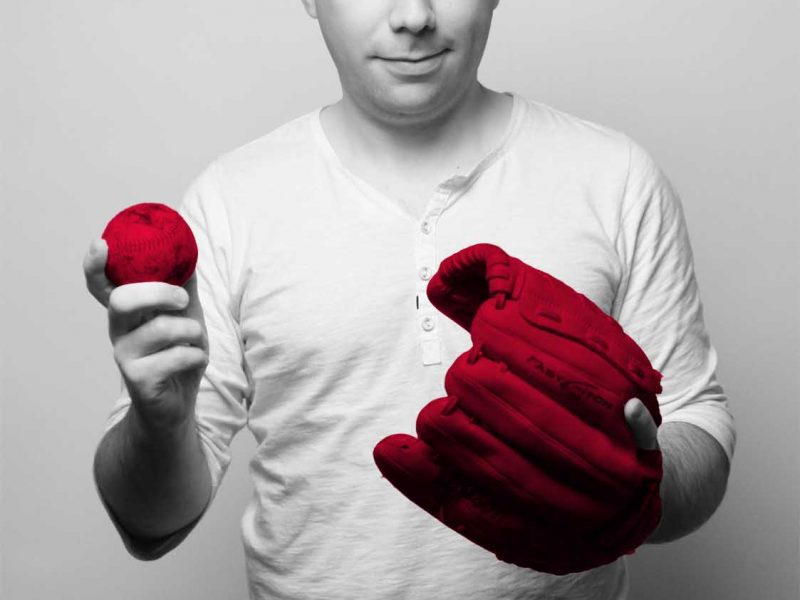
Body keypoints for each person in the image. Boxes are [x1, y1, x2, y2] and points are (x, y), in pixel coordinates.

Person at [82, 1, 736, 598]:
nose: (415, 15)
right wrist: (159, 422)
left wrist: (637, 492)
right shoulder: (230, 204)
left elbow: (696, 420)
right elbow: (150, 526)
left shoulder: (614, 177)